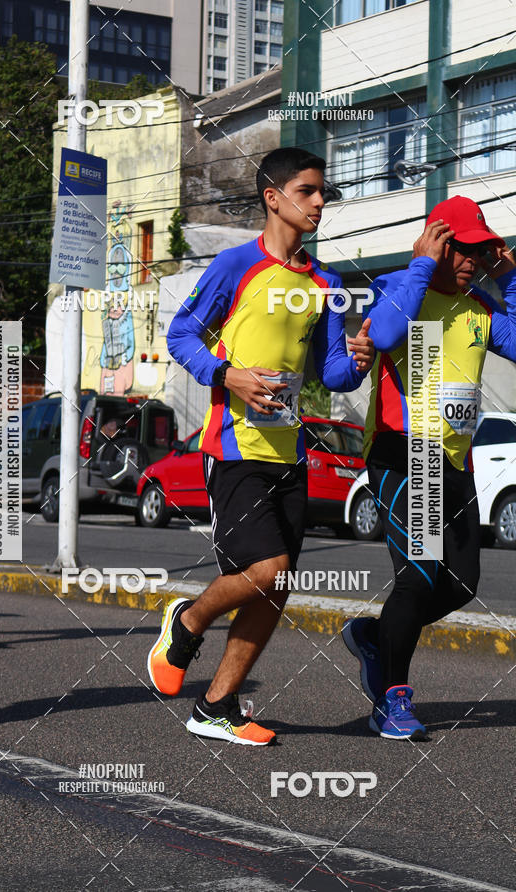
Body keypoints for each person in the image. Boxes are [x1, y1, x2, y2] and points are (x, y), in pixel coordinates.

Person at [147, 147, 374, 746]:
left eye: (324, 192)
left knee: (276, 587)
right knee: (264, 569)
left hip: (289, 450)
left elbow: (332, 373)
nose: (321, 202)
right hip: (234, 448)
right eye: (308, 191)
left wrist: (357, 362)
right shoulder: (233, 266)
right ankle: (188, 619)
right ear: (273, 198)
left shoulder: (325, 282)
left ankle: (217, 705)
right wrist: (229, 374)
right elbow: (182, 334)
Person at [342, 196, 516, 740]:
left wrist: (511, 279)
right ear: (435, 243)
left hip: (454, 460)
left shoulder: (480, 310)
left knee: (461, 584)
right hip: (405, 452)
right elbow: (387, 337)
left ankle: (376, 638)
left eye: (479, 249)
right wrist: (420, 264)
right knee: (417, 577)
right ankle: (392, 700)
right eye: (459, 247)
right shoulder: (400, 286)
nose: (470, 259)